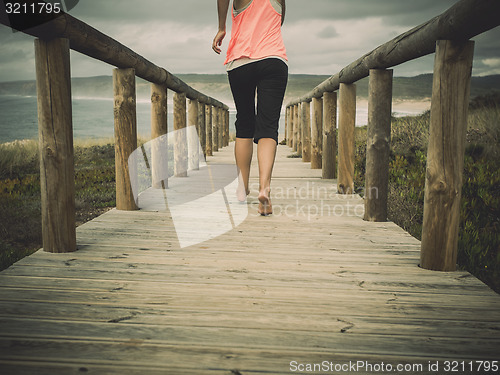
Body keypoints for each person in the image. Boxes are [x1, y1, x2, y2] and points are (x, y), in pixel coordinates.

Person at [212, 0, 288, 216]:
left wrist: (221, 27)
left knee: (245, 123)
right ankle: (264, 189)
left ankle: (242, 188)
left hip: (241, 62)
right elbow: (280, 19)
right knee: (268, 126)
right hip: (273, 60)